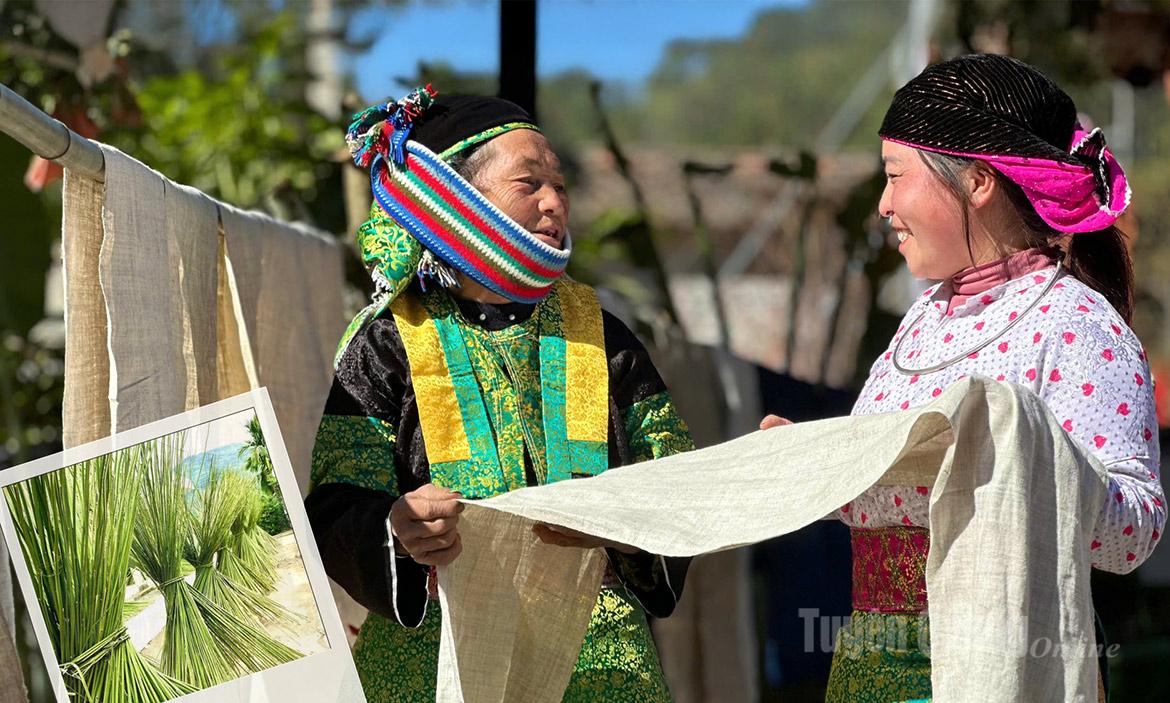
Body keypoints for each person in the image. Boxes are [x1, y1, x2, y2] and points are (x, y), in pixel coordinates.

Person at [761, 54, 1164, 701]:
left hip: (1008, 666)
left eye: (896, 176)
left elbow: (1133, 533)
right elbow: (884, 496)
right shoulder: (919, 322)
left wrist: (1037, 455)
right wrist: (811, 461)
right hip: (875, 665)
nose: (885, 205)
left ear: (977, 181)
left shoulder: (1076, 323)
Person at [304, 86, 693, 702]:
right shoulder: (388, 341)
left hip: (599, 662)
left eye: (560, 185)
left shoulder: (603, 334)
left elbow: (674, 475)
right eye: (529, 182)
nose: (554, 200)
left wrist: (620, 524)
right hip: (430, 662)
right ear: (459, 200)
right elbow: (333, 499)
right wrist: (398, 528)